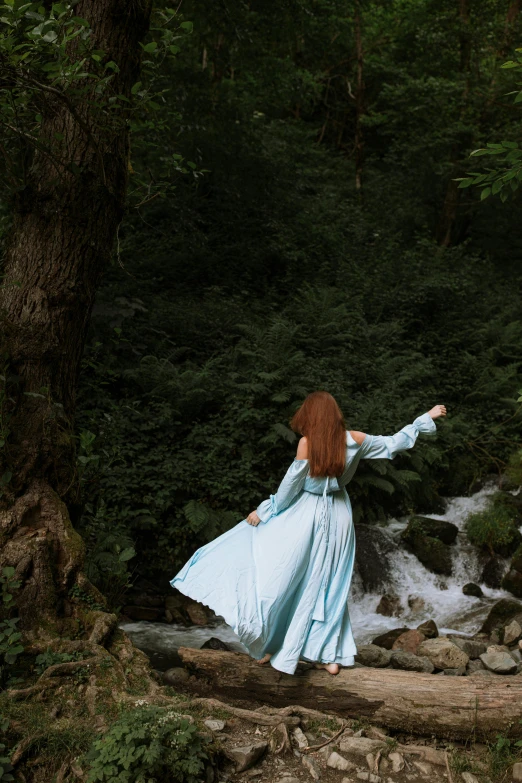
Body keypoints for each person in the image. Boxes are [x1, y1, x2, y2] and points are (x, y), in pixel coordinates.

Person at [170, 392, 446, 675]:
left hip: (305, 515)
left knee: (284, 578)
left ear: (311, 416)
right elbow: (394, 443)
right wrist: (425, 419)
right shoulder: (354, 439)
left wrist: (264, 512)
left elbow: (289, 489)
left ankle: (276, 647)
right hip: (339, 515)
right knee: (331, 584)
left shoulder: (306, 443)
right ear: (335, 415)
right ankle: (328, 656)